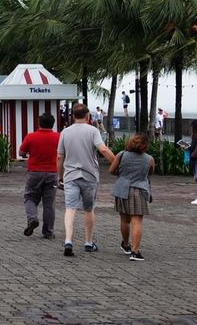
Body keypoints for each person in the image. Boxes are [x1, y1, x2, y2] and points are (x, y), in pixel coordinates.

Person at [57, 102, 117, 257]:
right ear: (87, 116)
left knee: (70, 208)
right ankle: (88, 242)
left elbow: (59, 156)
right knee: (89, 209)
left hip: (70, 176)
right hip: (89, 176)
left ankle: (68, 240)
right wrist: (117, 162)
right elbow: (102, 149)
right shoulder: (93, 131)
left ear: (73, 116)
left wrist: (60, 176)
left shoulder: (65, 132)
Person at [109, 133, 154, 261]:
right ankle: (135, 251)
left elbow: (111, 170)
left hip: (122, 189)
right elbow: (150, 172)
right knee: (137, 221)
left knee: (124, 219)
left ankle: (125, 244)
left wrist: (123, 174)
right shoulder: (149, 159)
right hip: (139, 190)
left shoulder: (121, 155)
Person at [18, 112, 60, 239]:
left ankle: (32, 218)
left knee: (30, 197)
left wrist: (28, 154)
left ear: (39, 123)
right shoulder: (59, 137)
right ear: (53, 124)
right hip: (52, 173)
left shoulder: (31, 137)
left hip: (34, 173)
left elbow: (21, 152)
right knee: (49, 204)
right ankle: (48, 232)